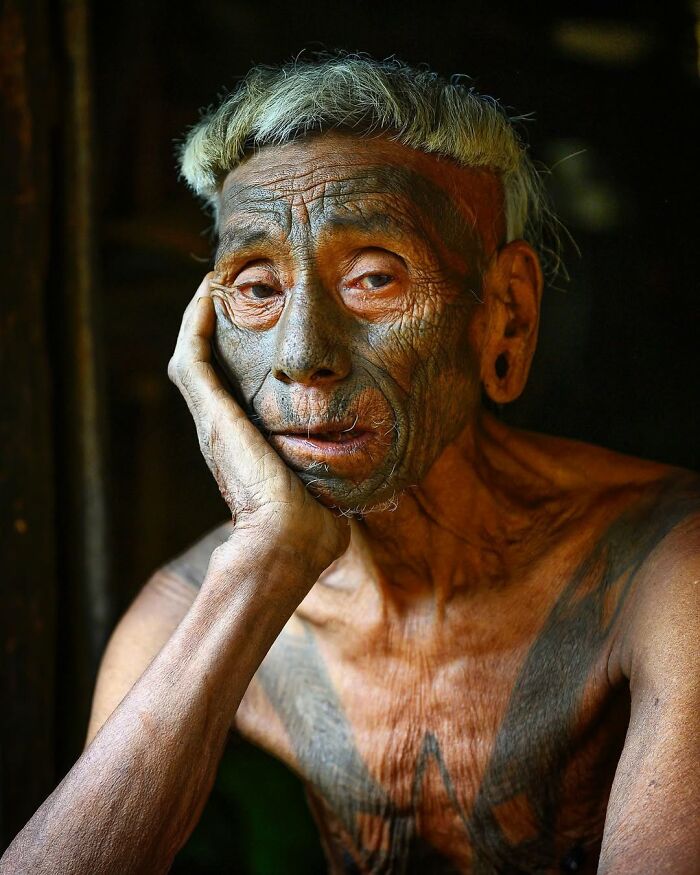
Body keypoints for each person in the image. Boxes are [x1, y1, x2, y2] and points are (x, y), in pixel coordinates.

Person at [2, 55, 698, 875]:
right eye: (257, 287)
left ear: (505, 319)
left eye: (374, 276)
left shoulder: (665, 566)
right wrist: (269, 555)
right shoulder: (198, 607)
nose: (302, 356)